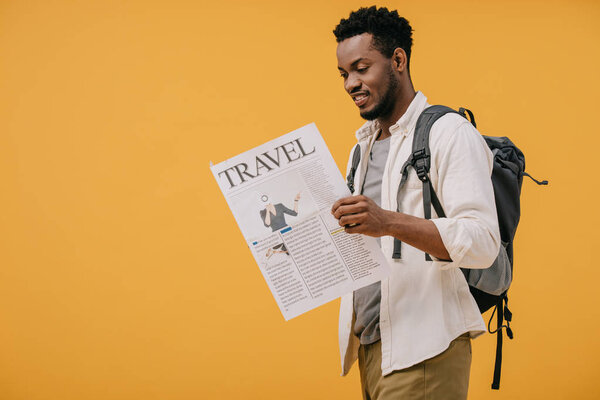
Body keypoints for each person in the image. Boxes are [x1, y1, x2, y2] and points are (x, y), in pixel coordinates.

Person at [330, 7, 500, 400]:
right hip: (373, 347)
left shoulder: (449, 134)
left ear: (398, 60)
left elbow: (483, 241)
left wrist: (387, 221)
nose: (350, 83)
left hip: (425, 349)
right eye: (344, 74)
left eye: (361, 68)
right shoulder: (361, 148)